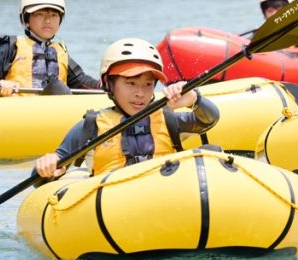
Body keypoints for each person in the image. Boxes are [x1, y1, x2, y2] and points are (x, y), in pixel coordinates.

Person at [34, 38, 219, 179]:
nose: (140, 93)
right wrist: (46, 166)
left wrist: (194, 98)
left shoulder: (168, 120)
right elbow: (43, 173)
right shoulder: (91, 126)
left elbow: (209, 119)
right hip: (111, 206)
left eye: (148, 84)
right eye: (131, 83)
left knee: (213, 151)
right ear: (109, 84)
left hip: (163, 196)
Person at [0, 0, 102, 95]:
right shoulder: (11, 48)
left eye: (54, 15)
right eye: (40, 14)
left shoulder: (60, 52)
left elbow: (82, 81)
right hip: (15, 115)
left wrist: (105, 85)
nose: (48, 20)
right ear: (26, 21)